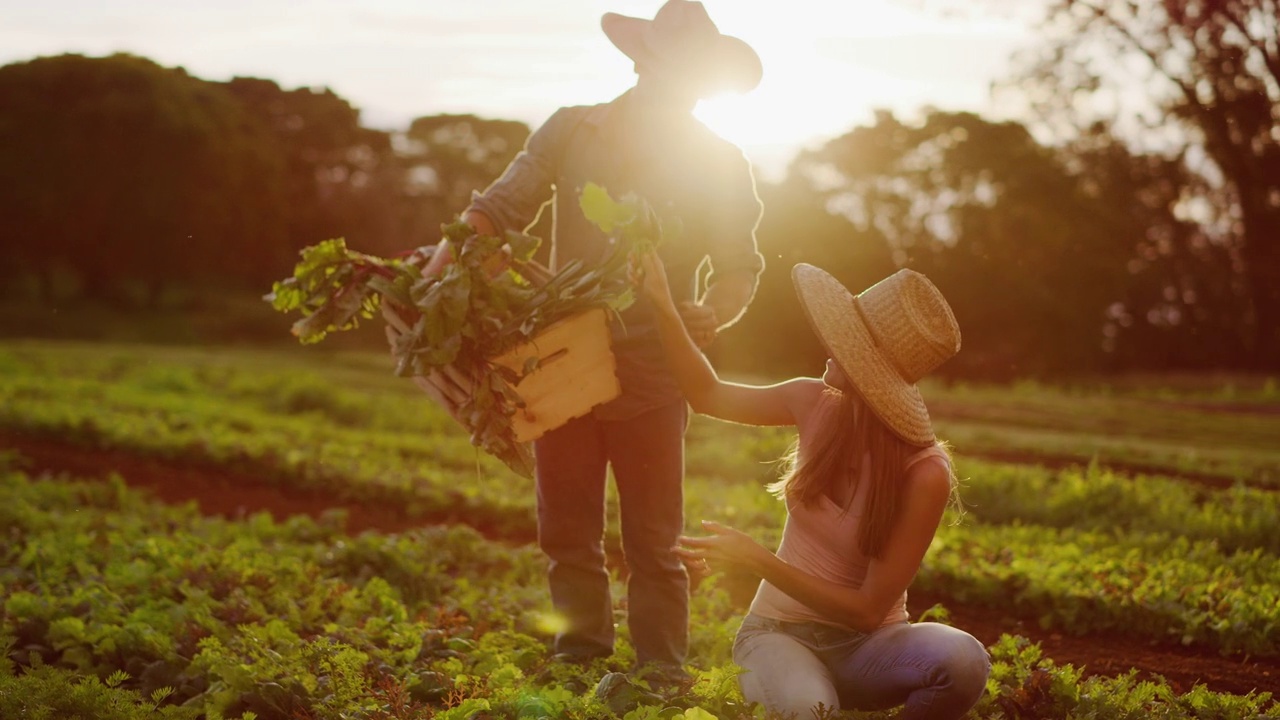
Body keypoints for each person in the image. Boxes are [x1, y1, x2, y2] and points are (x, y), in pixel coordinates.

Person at [396, 0, 767, 680]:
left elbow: (740, 266)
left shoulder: (718, 159)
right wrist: (433, 278)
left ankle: (661, 672)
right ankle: (579, 658)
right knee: (567, 533)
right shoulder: (571, 130)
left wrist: (711, 312)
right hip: (561, 358)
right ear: (641, 62)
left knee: (654, 540)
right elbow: (499, 207)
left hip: (656, 369)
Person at [637, 252, 991, 719]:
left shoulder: (925, 473)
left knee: (965, 662)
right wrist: (662, 303)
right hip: (778, 635)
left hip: (873, 649)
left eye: (847, 342)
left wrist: (756, 559)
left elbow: (867, 613)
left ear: (871, 372)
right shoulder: (811, 400)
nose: (828, 342)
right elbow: (706, 394)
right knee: (810, 709)